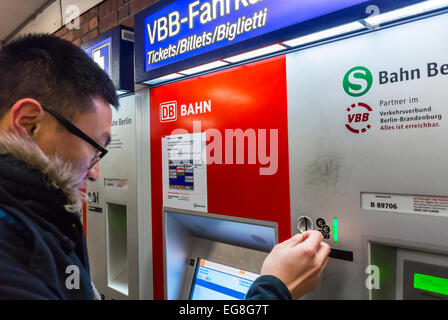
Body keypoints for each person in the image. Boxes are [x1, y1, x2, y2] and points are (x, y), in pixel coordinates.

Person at [0, 34, 330, 300]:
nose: (96, 171)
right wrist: (275, 289)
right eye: (96, 147)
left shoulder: (34, 224)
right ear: (29, 124)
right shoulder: (14, 258)